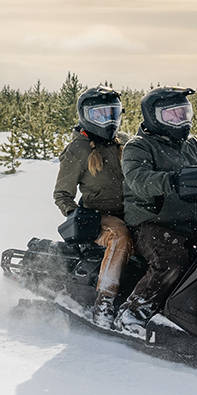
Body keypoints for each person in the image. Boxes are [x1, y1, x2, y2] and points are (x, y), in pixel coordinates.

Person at [113, 86, 197, 336]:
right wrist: (174, 182)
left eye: (184, 113)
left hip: (191, 225)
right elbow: (139, 180)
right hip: (152, 224)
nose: (180, 121)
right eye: (172, 115)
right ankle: (133, 311)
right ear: (153, 117)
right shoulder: (139, 146)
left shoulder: (194, 146)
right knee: (171, 260)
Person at [53, 86, 134, 327]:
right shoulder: (77, 150)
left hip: (131, 211)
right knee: (119, 236)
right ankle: (105, 301)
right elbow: (62, 193)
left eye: (113, 113)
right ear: (86, 116)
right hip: (97, 216)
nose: (108, 120)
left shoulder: (126, 143)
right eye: (100, 115)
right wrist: (77, 216)